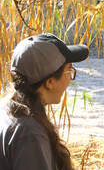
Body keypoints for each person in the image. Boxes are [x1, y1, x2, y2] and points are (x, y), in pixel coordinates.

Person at [0, 33, 89, 170]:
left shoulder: (7, 108)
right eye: (69, 71)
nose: (70, 79)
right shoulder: (30, 134)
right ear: (50, 82)